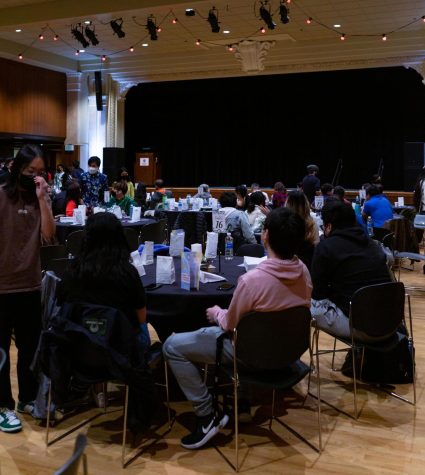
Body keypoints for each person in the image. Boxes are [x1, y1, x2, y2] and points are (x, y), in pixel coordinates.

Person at [163, 208, 312, 450]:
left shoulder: (252, 281)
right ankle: (242, 397)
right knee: (253, 331)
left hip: (250, 355)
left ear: (265, 235)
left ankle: (206, 414)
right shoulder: (304, 271)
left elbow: (229, 323)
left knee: (172, 346)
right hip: (288, 353)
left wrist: (216, 313)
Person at [57, 212, 149, 407]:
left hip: (78, 352)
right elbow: (141, 318)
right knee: (142, 329)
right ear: (119, 238)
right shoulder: (127, 273)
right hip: (120, 354)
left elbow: (63, 309)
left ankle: (83, 386)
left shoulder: (72, 271)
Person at [0, 144, 56, 433]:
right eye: (29, 171)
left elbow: (48, 236)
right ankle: (2, 406)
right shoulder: (1, 197)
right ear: (16, 169)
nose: (34, 176)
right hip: (2, 288)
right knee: (0, 352)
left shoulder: (39, 200)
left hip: (30, 285)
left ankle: (28, 399)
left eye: (39, 172)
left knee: (29, 348)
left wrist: (43, 198)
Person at [311, 200, 391, 339]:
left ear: (328, 226)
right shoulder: (372, 244)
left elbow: (318, 293)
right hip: (391, 322)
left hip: (362, 327)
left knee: (306, 305)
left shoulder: (326, 247)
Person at [285, 190, 319, 269]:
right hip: (307, 267)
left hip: (286, 268)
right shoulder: (312, 224)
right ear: (306, 204)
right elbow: (316, 246)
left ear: (288, 203)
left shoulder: (284, 223)